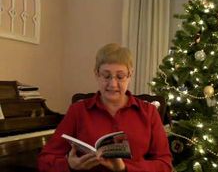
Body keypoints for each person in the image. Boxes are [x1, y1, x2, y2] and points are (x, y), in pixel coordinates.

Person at [37, 43, 172, 172]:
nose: (112, 84)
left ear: (130, 75)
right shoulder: (78, 111)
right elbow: (45, 160)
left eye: (120, 76)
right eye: (106, 76)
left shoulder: (149, 112)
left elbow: (165, 165)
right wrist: (69, 165)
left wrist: (125, 169)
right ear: (96, 73)